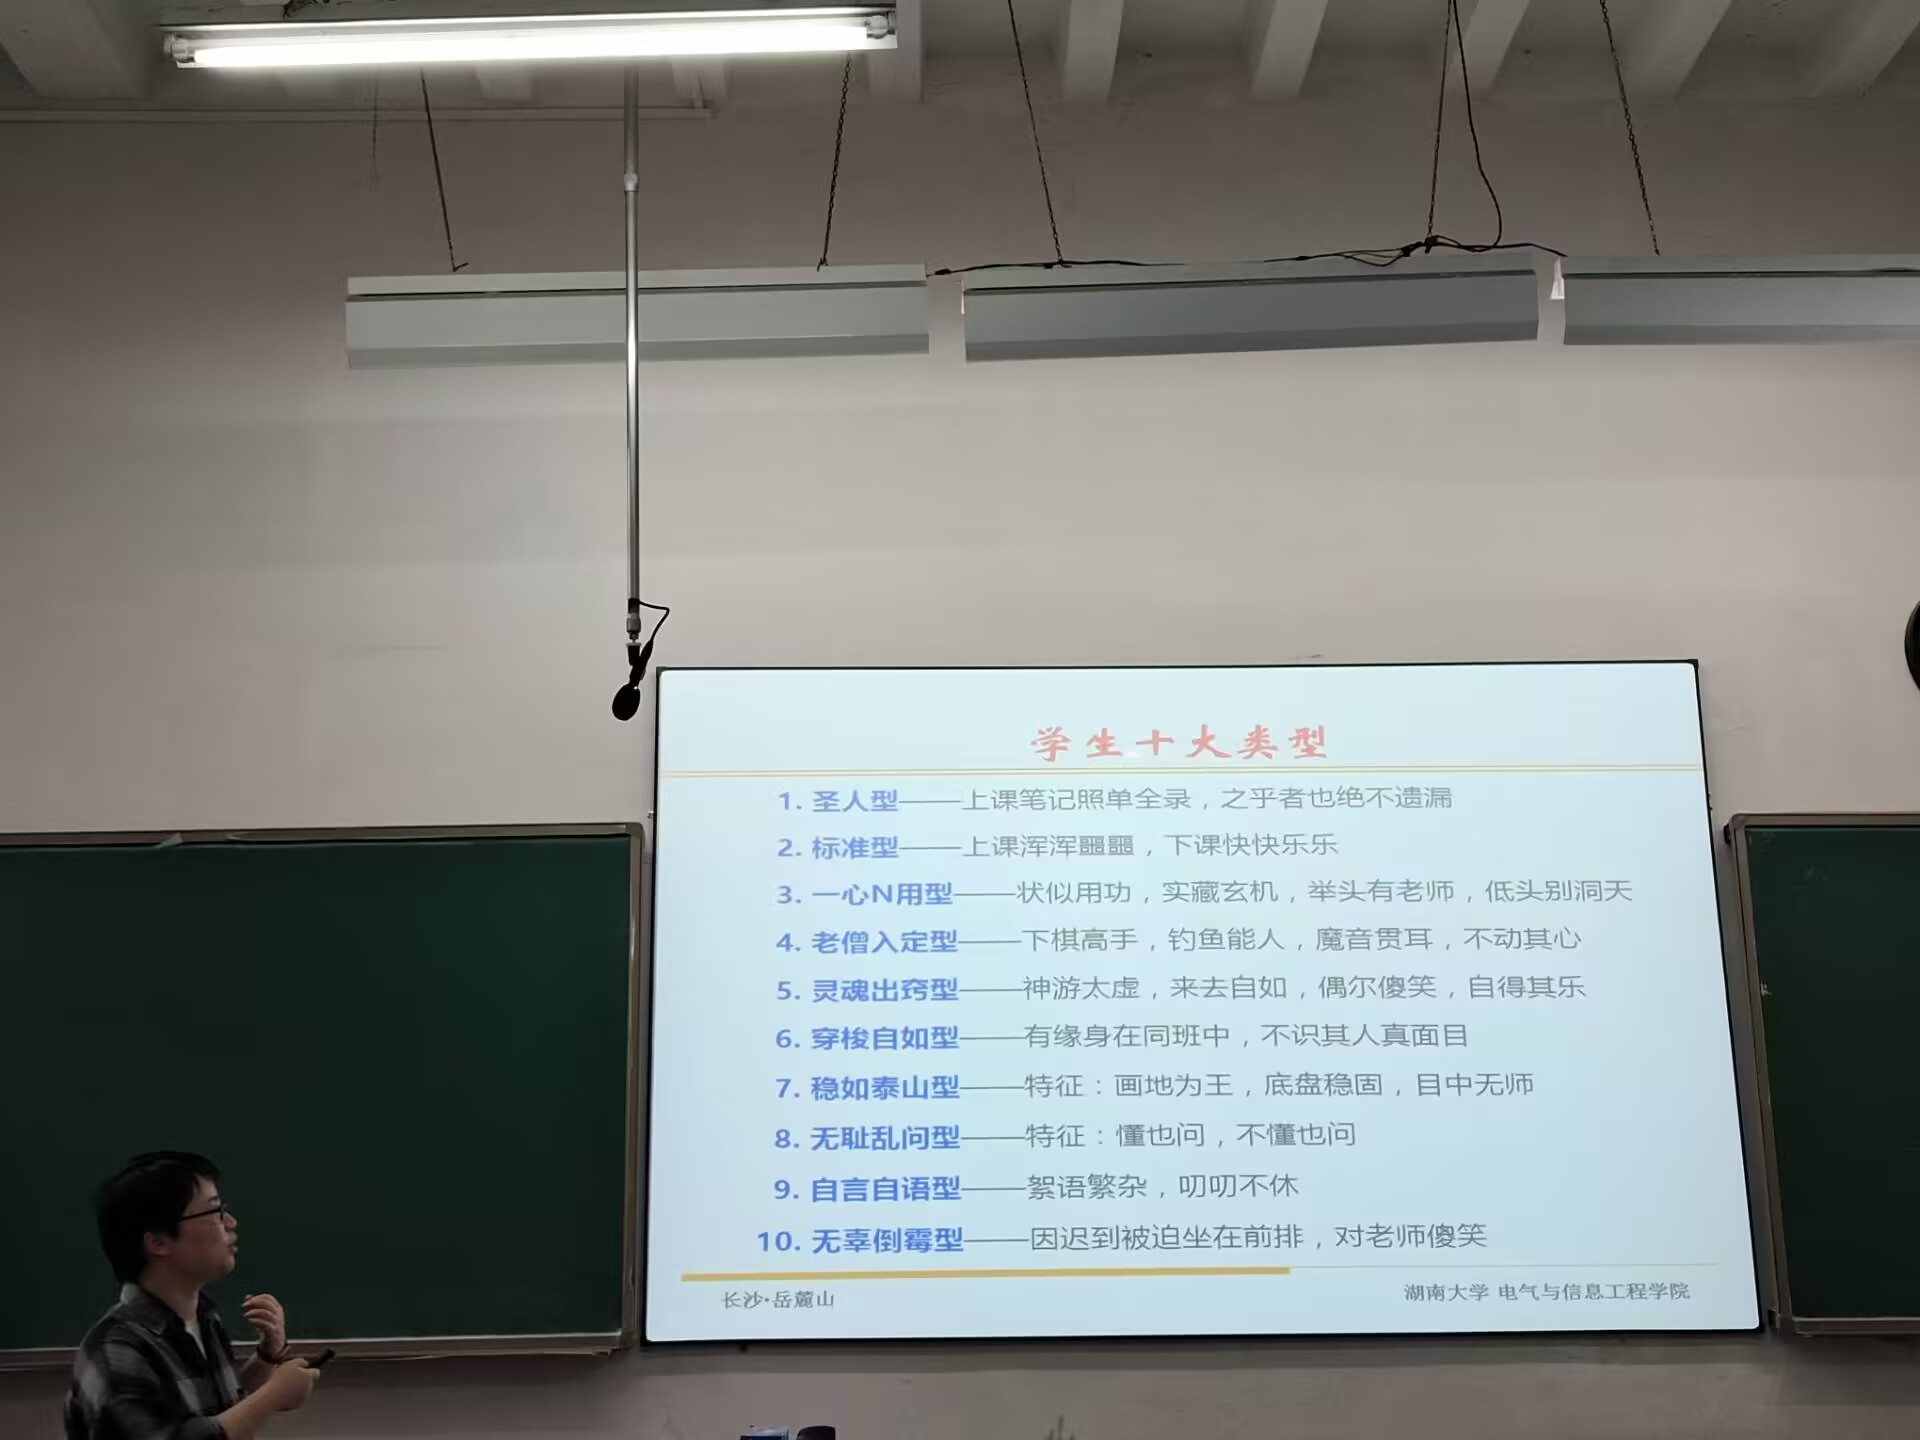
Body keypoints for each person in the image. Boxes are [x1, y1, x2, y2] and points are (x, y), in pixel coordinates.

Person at [65, 1152, 320, 1440]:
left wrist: (267, 1357)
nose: (231, 1222)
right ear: (159, 1241)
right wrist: (272, 1396)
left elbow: (214, 1410)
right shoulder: (117, 1350)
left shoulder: (203, 1318)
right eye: (215, 1212)